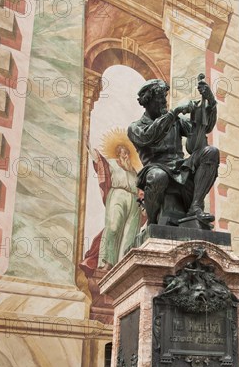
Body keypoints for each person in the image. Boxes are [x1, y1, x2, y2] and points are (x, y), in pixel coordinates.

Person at [127, 77, 219, 226]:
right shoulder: (135, 127)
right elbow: (149, 136)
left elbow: (204, 128)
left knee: (211, 152)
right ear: (148, 100)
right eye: (160, 97)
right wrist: (174, 112)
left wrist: (210, 102)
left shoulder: (175, 121)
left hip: (180, 166)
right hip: (156, 166)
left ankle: (195, 207)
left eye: (165, 97)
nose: (164, 101)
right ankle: (152, 221)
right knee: (158, 176)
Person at [80, 134, 142, 275]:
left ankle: (124, 265)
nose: (125, 156)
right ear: (118, 154)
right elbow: (100, 162)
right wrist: (89, 146)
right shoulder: (113, 163)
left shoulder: (134, 171)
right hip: (117, 195)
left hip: (133, 201)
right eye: (123, 153)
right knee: (113, 227)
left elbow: (141, 189)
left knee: (130, 234)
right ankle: (107, 262)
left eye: (127, 153)